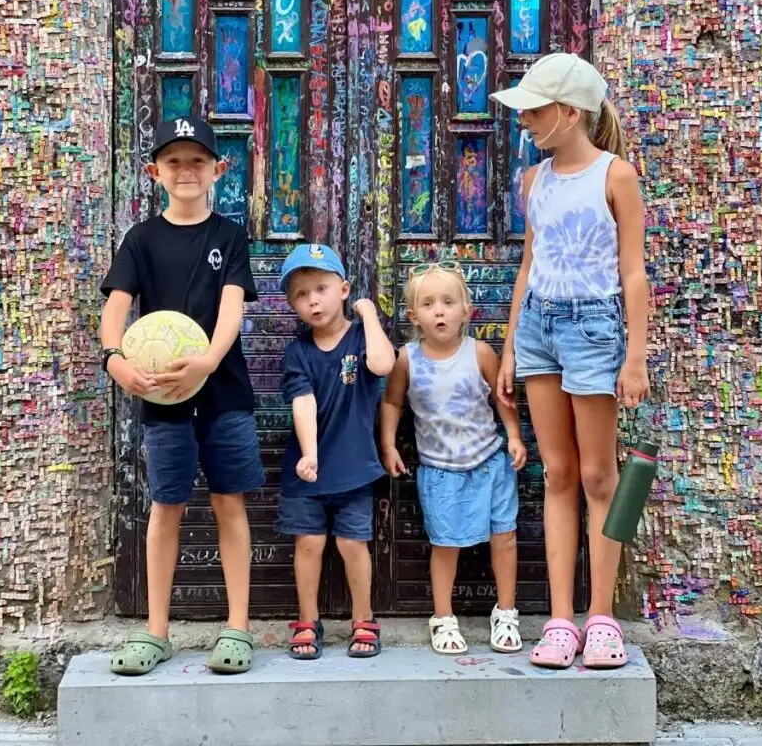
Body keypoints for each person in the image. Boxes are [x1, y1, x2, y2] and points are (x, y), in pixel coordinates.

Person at [491, 52, 650, 669]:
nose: (525, 118)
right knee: (557, 474)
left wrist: (634, 355)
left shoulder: (617, 176)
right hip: (540, 330)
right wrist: (509, 347)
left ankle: (601, 616)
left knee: (598, 475)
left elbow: (634, 273)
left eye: (535, 108)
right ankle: (560, 620)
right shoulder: (534, 181)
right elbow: (529, 268)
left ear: (571, 112)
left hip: (594, 327)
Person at [100, 117, 263, 676]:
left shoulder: (230, 235)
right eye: (175, 161)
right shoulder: (140, 240)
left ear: (219, 169)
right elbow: (116, 311)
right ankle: (156, 631)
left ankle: (237, 626)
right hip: (162, 397)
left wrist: (211, 360)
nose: (187, 170)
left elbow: (233, 307)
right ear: (155, 172)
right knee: (165, 507)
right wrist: (115, 360)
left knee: (229, 503)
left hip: (225, 394)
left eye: (198, 160)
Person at [380, 262, 527, 656]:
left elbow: (501, 398)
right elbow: (392, 402)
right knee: (445, 544)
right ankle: (443, 617)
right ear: (413, 316)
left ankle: (507, 610)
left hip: (490, 464)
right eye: (428, 304)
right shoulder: (406, 359)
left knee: (505, 537)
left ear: (467, 310)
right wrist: (389, 444)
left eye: (448, 302)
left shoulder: (480, 353)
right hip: (441, 471)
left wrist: (514, 435)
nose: (439, 311)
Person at [276, 244, 396, 660]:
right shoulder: (298, 352)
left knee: (351, 544)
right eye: (301, 294)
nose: (313, 300)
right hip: (306, 469)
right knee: (308, 542)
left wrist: (369, 315)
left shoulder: (363, 337)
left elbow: (383, 366)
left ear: (343, 289)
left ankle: (363, 619)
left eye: (321, 288)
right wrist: (308, 454)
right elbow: (302, 401)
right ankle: (308, 619)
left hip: (354, 468)